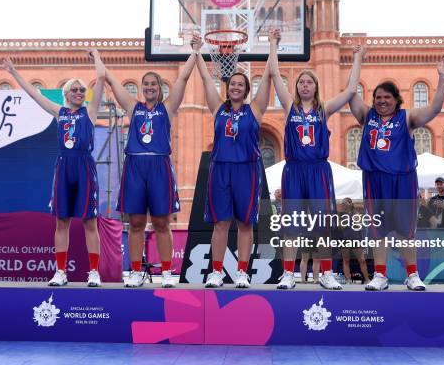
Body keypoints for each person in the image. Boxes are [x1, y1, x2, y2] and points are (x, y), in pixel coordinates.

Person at [95, 38, 201, 288]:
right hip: (134, 167)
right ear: (142, 88)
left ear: (160, 88)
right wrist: (98, 57)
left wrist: (195, 52)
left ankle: (166, 272)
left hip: (159, 167)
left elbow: (184, 79)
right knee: (136, 223)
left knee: (162, 222)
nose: (150, 87)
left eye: (154, 84)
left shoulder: (168, 107)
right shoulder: (133, 107)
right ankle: (133, 271)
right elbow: (110, 79)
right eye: (146, 84)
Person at [348, 57, 444, 291]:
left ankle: (412, 274)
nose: (382, 101)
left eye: (387, 97)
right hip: (374, 179)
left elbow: (435, 109)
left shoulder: (407, 118)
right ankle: (380, 275)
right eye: (378, 97)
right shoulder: (367, 116)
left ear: (396, 100)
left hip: (403, 179)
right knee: (379, 230)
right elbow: (351, 92)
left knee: (406, 230)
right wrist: (357, 60)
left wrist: (443, 78)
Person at [3, 53, 105, 287]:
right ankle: (60, 271)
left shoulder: (89, 112)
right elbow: (33, 93)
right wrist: (14, 72)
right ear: (66, 94)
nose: (80, 93)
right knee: (62, 221)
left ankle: (94, 272)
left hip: (84, 167)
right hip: (64, 167)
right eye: (75, 90)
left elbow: (100, 78)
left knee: (90, 221)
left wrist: (96, 56)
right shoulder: (59, 112)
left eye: (82, 90)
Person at [274, 42, 365, 290]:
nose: (305, 85)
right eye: (301, 82)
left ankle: (326, 273)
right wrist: (273, 45)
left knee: (322, 223)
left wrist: (357, 57)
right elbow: (274, 75)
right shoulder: (289, 107)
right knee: (291, 224)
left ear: (316, 87)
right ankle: (288, 274)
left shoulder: (324, 109)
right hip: (293, 171)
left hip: (318, 171)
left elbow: (349, 91)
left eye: (309, 82)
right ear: (296, 87)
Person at [197, 30, 277, 288]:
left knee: (245, 223)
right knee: (220, 224)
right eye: (232, 84)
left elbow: (267, 78)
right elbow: (205, 79)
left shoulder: (255, 110)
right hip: (220, 169)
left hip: (247, 170)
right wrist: (197, 51)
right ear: (228, 87)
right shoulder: (218, 108)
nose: (236, 87)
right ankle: (217, 272)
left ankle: (242, 272)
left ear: (246, 89)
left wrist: (273, 45)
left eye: (241, 85)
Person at [337, 198, 370, 284]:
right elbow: (340, 228)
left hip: (356, 240)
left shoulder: (356, 213)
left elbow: (360, 226)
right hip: (345, 240)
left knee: (362, 260)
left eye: (345, 203)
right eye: (342, 203)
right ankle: (348, 279)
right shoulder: (342, 215)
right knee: (346, 260)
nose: (343, 205)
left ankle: (367, 279)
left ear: (350, 203)